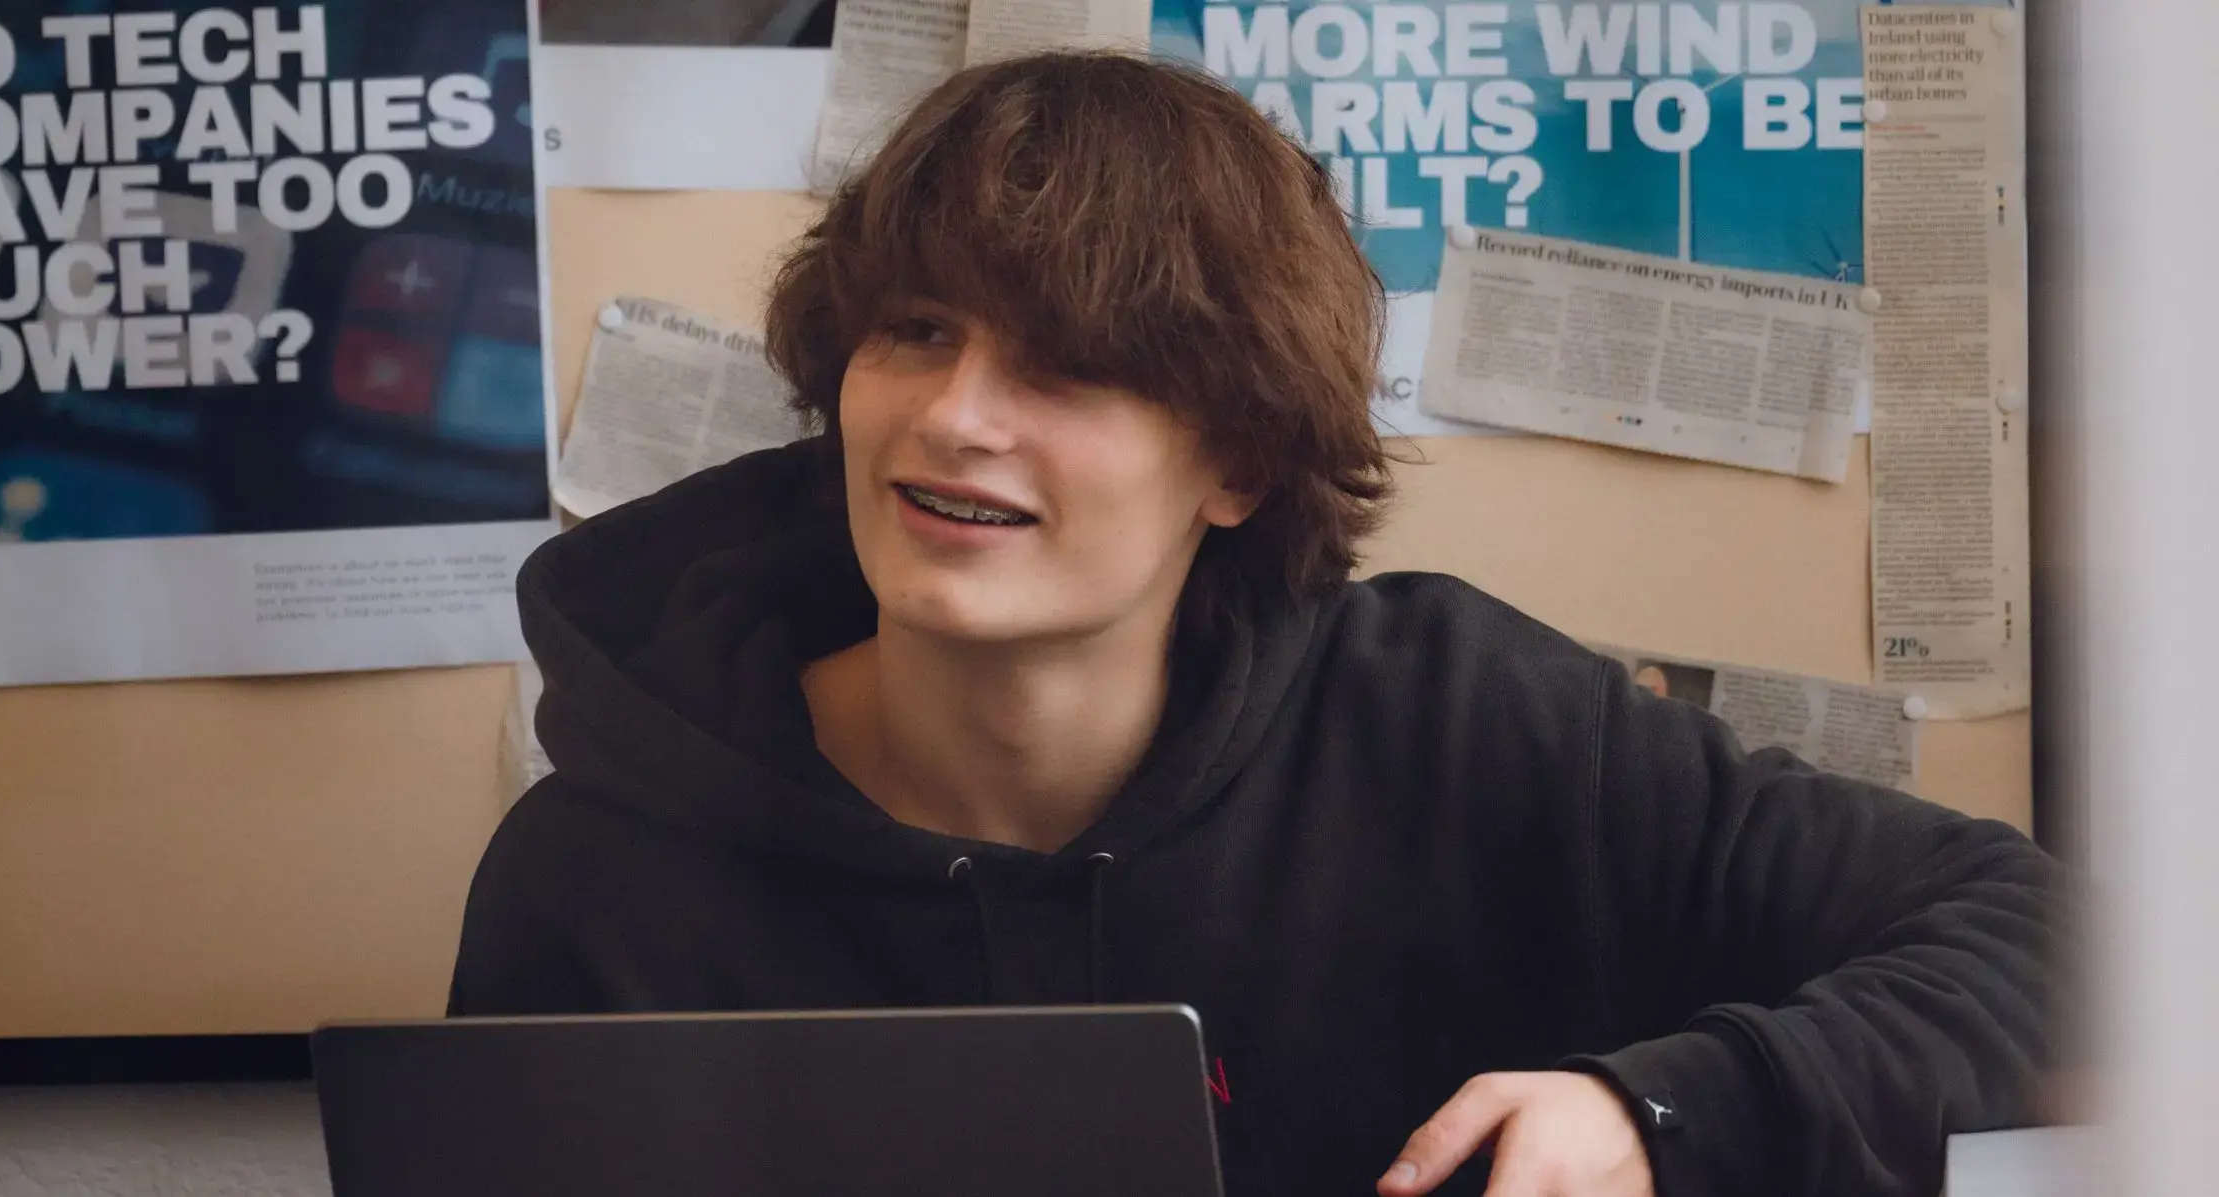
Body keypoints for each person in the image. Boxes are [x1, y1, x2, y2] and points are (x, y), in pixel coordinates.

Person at [450, 53, 2059, 1197]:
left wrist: (1670, 1117)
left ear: (1240, 462)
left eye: (1065, 366)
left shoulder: (1463, 725)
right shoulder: (602, 874)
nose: (952, 418)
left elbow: (2066, 945)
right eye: (914, 333)